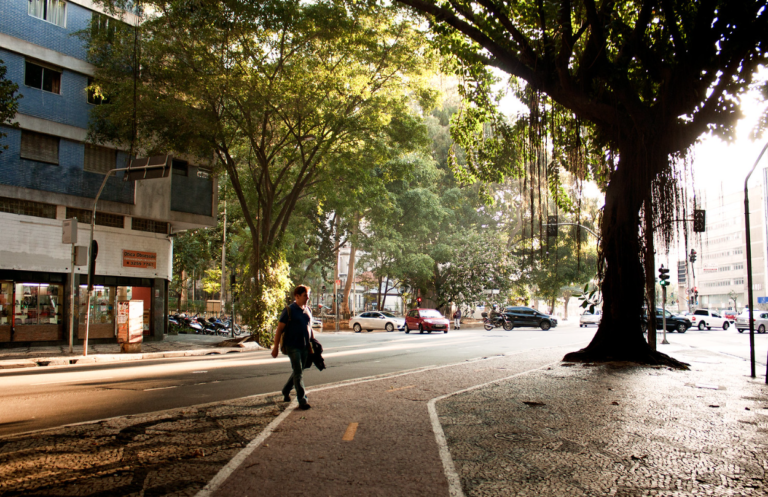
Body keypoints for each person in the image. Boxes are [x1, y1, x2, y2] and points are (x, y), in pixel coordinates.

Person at [271, 285, 314, 410]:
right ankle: (302, 399)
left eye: (308, 295)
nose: (307, 298)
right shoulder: (289, 310)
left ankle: (286, 390)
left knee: (298, 371)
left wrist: (311, 346)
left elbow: (309, 329)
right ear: (297, 296)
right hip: (292, 346)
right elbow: (279, 330)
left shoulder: (308, 310)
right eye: (305, 295)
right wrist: (275, 348)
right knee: (298, 372)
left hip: (305, 346)